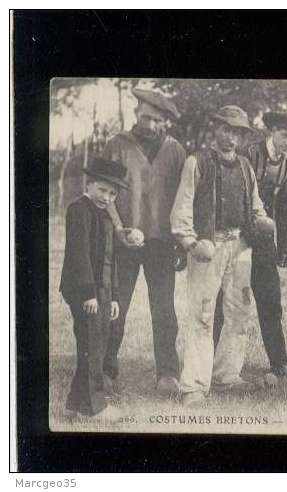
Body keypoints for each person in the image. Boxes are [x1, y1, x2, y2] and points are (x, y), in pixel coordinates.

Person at [170, 105, 270, 407]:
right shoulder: (196, 162)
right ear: (215, 129)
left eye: (237, 133)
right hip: (207, 248)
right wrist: (191, 242)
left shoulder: (244, 166)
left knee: (239, 311)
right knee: (201, 314)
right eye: (226, 130)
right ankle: (194, 385)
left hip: (239, 247)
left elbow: (256, 207)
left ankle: (227, 375)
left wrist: (263, 222)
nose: (230, 138)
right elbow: (181, 210)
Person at [214, 111, 287, 379]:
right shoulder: (247, 154)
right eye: (284, 136)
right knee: (222, 298)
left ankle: (279, 362)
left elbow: (286, 207)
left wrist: (284, 247)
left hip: (263, 239)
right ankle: (210, 358)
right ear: (272, 131)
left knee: (270, 298)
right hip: (234, 234)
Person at [102, 88, 186, 398]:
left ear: (166, 122)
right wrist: (119, 228)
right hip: (123, 241)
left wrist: (180, 242)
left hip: (162, 243)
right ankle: (106, 369)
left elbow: (182, 201)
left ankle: (167, 373)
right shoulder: (117, 145)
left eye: (158, 121)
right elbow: (103, 191)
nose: (151, 126)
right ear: (136, 112)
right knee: (116, 307)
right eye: (147, 118)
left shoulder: (176, 151)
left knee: (164, 310)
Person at [59, 157, 129, 420]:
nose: (107, 197)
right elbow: (79, 255)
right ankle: (93, 408)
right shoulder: (80, 210)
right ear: (89, 184)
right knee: (91, 345)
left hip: (104, 290)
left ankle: (75, 406)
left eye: (112, 193)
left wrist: (114, 298)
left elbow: (111, 259)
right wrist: (88, 293)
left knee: (95, 344)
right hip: (85, 290)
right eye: (102, 190)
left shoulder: (106, 216)